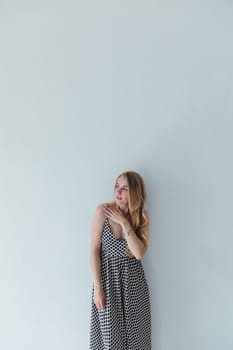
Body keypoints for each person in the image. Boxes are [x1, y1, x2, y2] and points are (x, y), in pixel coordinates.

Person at [89, 171, 151, 350]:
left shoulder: (142, 217)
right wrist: (98, 288)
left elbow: (139, 253)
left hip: (133, 285)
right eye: (117, 186)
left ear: (135, 192)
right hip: (107, 283)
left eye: (124, 188)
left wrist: (125, 222)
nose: (118, 191)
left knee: (136, 338)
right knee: (110, 341)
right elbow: (93, 250)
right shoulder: (103, 211)